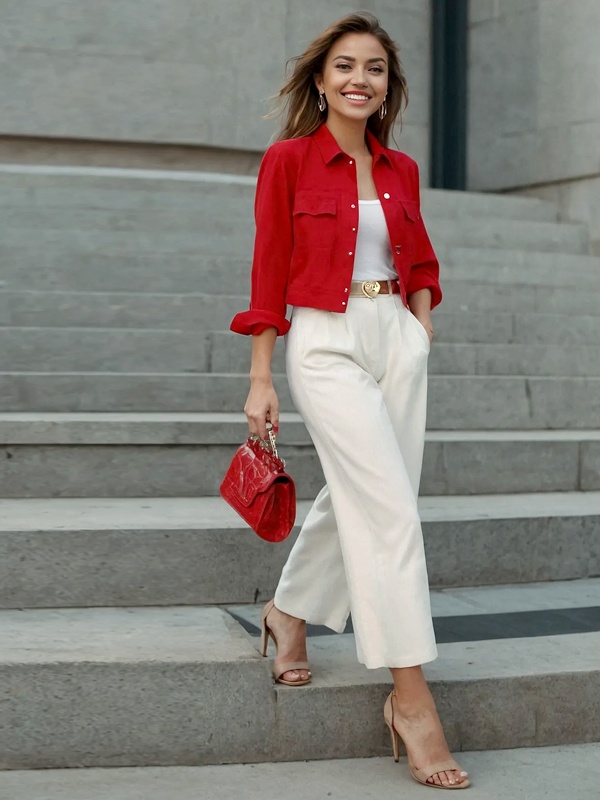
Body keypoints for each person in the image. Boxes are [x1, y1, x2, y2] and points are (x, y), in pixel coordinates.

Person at [230, 12, 470, 791]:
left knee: (365, 496)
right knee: (391, 512)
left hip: (395, 336)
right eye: (344, 66)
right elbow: (269, 267)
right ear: (321, 80)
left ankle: (288, 613)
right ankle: (412, 700)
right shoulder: (290, 160)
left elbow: (420, 255)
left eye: (374, 68)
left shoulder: (402, 168)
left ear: (388, 86)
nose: (359, 79)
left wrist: (419, 325)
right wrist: (262, 377)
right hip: (325, 342)